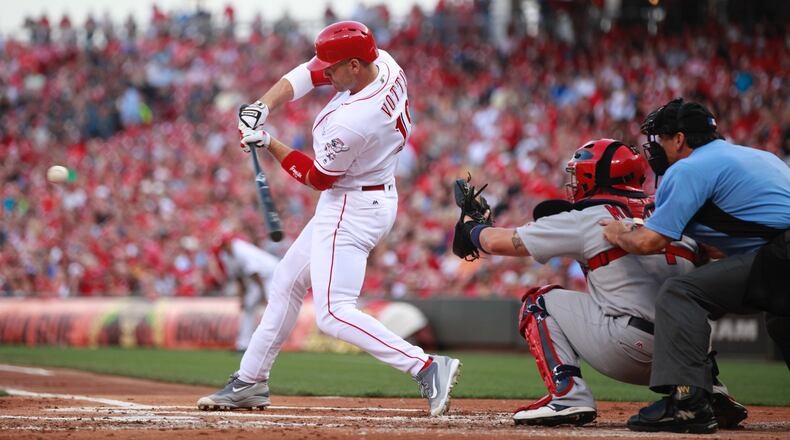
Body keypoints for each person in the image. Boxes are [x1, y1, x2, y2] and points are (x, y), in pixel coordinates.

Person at [197, 21, 461, 416]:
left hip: (351, 207)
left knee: (334, 313)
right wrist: (263, 106)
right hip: (370, 193)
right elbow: (309, 72)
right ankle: (250, 381)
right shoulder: (382, 62)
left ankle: (426, 367)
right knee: (286, 282)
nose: (326, 72)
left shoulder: (355, 121)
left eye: (335, 67)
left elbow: (320, 178)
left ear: (355, 65)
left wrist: (268, 142)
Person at [452, 139, 746, 428]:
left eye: (578, 174)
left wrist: (473, 226)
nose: (574, 181)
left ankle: (568, 395)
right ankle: (711, 388)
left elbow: (498, 242)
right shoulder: (673, 207)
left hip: (632, 348)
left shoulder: (589, 216)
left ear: (592, 176)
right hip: (691, 356)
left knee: (538, 302)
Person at [601, 98, 790, 434]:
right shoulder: (758, 156)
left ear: (679, 138)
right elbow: (741, 236)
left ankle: (688, 403)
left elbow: (648, 242)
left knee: (679, 293)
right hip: (777, 256)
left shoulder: (688, 167)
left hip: (781, 255)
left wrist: (619, 233)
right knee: (781, 317)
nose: (657, 146)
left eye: (661, 137)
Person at [212, 233, 279, 352]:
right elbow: (238, 278)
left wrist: (263, 296)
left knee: (270, 308)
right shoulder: (226, 256)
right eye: (221, 246)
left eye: (224, 245)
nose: (223, 248)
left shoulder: (241, 251)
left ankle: (272, 345)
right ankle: (243, 345)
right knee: (248, 307)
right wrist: (242, 297)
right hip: (258, 280)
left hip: (272, 274)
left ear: (229, 243)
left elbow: (255, 274)